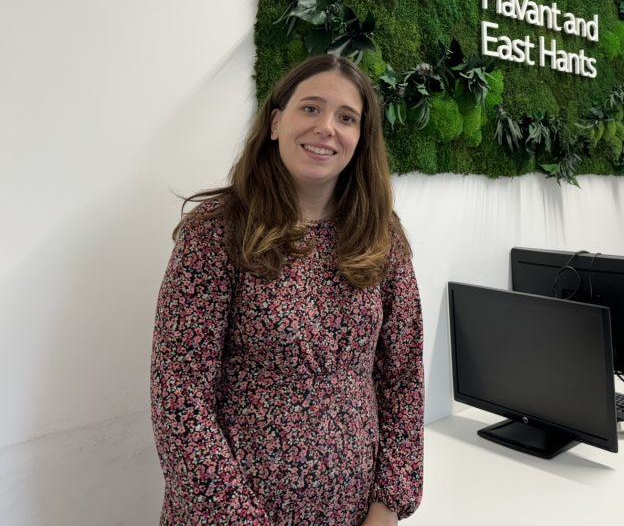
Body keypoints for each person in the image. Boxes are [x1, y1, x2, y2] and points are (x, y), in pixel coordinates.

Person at [151, 54, 423, 526]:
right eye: (311, 108)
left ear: (361, 139)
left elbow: (403, 378)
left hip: (353, 514)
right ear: (276, 122)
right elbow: (180, 396)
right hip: (226, 514)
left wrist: (388, 507)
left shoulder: (382, 236)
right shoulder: (216, 232)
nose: (326, 128)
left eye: (346, 118)